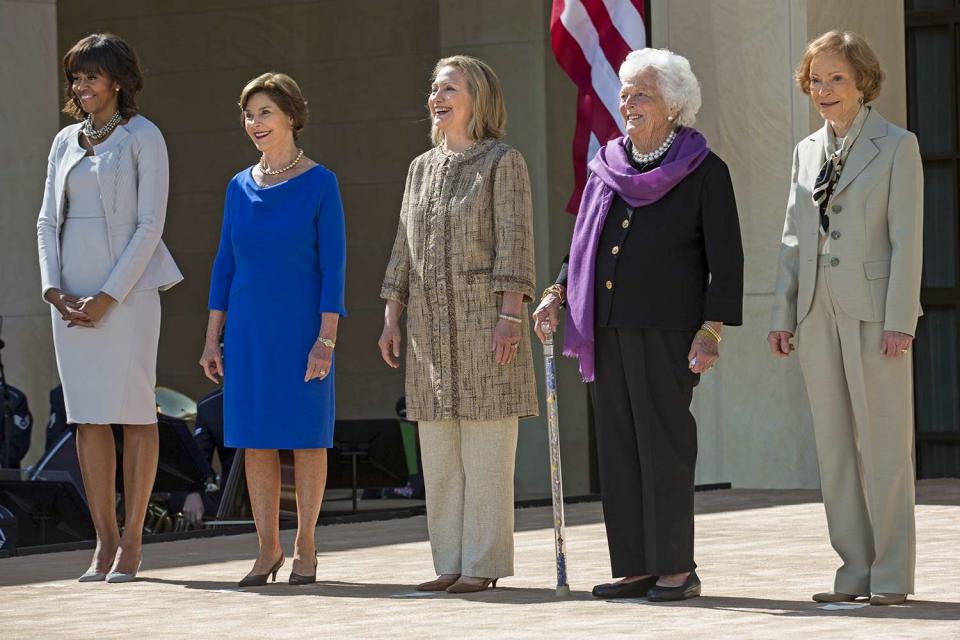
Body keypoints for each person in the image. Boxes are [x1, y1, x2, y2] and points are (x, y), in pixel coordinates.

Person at [533, 48, 743, 602]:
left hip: (669, 330)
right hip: (604, 327)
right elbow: (582, 247)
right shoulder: (607, 167)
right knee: (620, 446)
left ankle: (677, 568)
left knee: (664, 444)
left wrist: (712, 328)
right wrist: (557, 292)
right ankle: (634, 566)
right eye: (625, 94)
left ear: (675, 105)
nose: (628, 103)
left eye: (642, 94)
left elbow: (727, 260)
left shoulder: (705, 171)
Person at [769, 30, 923, 606]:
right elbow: (792, 239)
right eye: (815, 80)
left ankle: (890, 576)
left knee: (884, 447)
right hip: (815, 316)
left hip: (875, 316)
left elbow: (908, 242)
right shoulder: (806, 151)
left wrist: (900, 319)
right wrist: (784, 312)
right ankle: (854, 571)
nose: (824, 89)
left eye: (836, 78)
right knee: (834, 450)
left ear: (862, 82)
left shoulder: (897, 145)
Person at [378, 55, 537, 594]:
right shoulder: (419, 168)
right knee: (440, 455)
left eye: (448, 88)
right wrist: (391, 314)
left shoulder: (502, 162)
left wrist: (510, 314)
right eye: (433, 89)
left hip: (486, 325)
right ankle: (449, 560)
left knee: (487, 453)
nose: (436, 98)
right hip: (427, 332)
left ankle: (483, 564)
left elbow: (515, 242)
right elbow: (403, 247)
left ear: (479, 98)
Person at [36, 33, 183, 583]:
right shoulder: (62, 141)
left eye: (92, 76)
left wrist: (107, 296)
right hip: (69, 295)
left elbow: (150, 225)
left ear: (118, 79)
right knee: (87, 415)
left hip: (128, 294)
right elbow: (47, 221)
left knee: (134, 412)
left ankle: (133, 542)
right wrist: (54, 289)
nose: (82, 86)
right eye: (76, 77)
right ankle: (103, 542)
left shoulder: (145, 136)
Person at [199, 72, 346, 587]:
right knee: (255, 440)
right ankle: (267, 551)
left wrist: (326, 339)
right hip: (249, 333)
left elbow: (335, 268)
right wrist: (212, 335)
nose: (254, 123)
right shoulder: (238, 187)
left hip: (303, 330)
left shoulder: (321, 182)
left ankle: (306, 544)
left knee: (306, 438)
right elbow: (224, 264)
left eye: (264, 112)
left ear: (290, 116)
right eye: (248, 114)